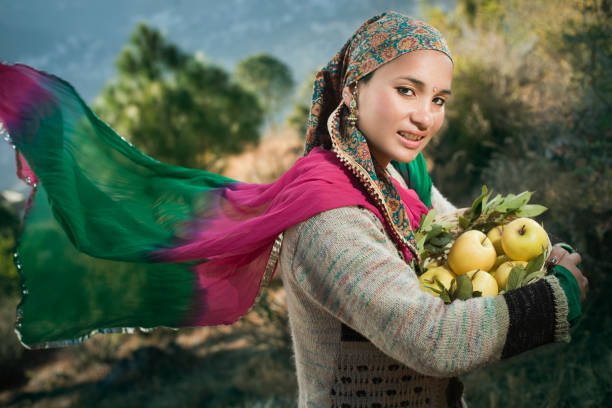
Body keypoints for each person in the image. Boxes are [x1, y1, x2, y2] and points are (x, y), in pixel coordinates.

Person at [0, 10, 587, 408]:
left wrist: (533, 257)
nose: (424, 117)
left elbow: (458, 229)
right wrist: (551, 300)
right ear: (353, 91)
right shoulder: (330, 218)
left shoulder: (394, 174)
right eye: (405, 90)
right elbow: (431, 339)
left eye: (438, 99)